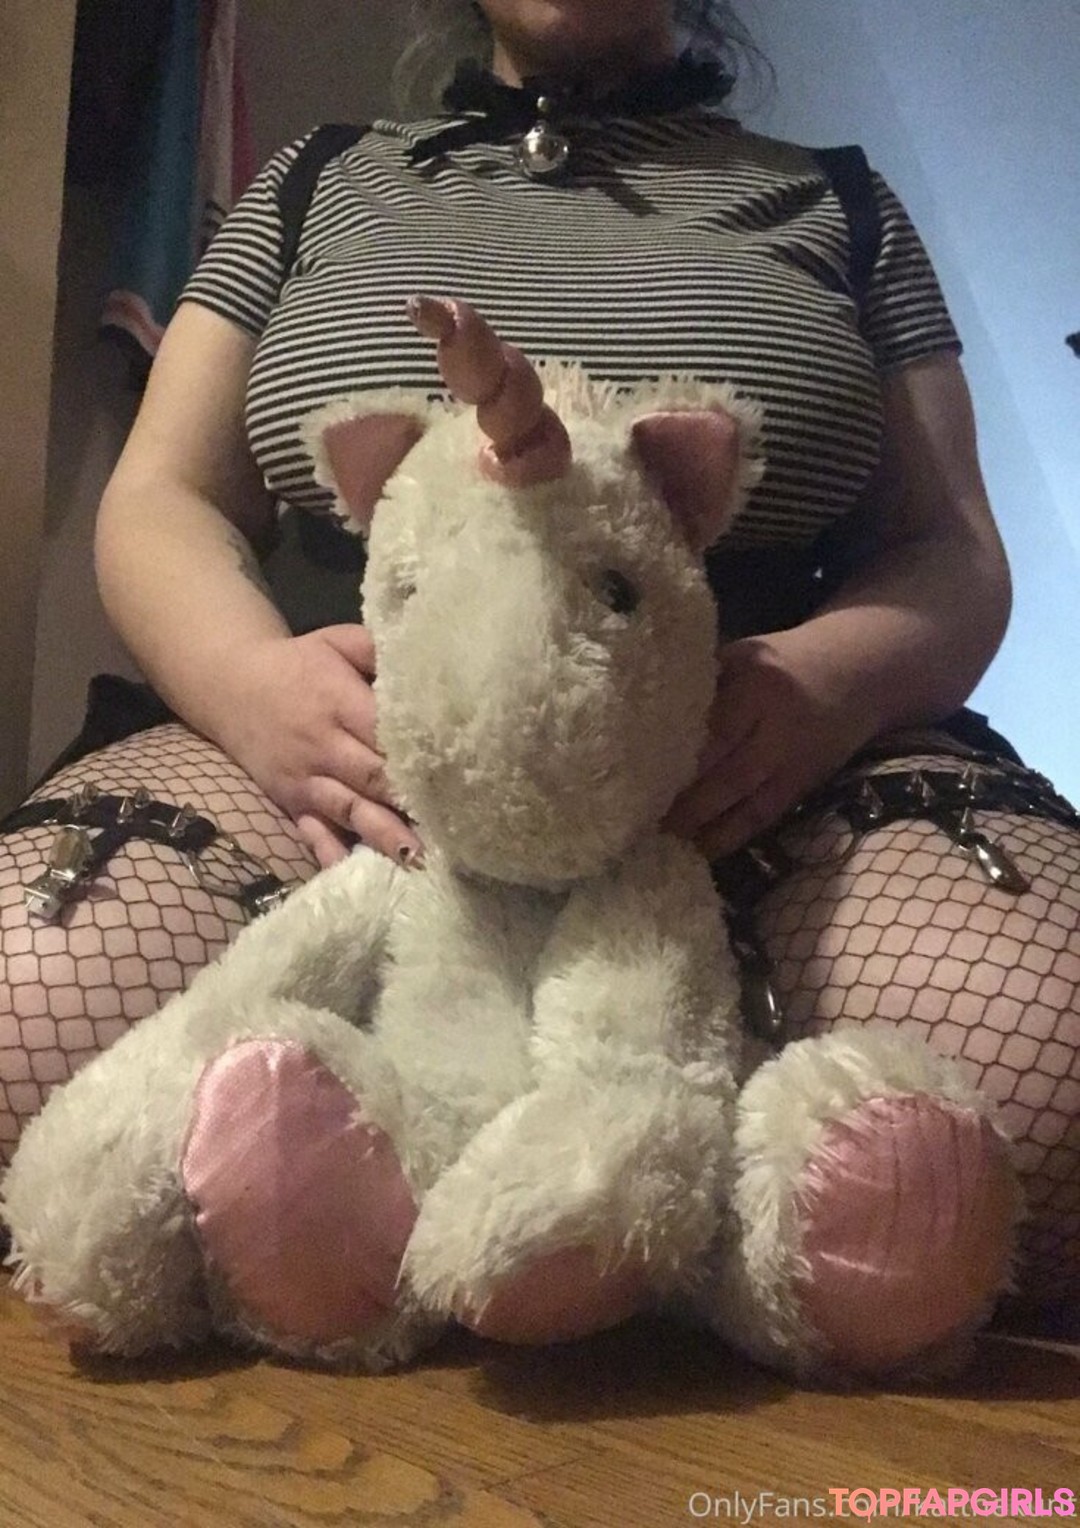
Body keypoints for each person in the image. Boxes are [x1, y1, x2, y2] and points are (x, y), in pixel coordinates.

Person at [0, 0, 1075, 1335]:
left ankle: (673, 1226)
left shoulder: (844, 206)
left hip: (761, 776)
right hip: (346, 773)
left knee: (1046, 1089)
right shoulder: (313, 178)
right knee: (23, 1022)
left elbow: (953, 552)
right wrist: (250, 685)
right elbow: (162, 495)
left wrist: (825, 683)